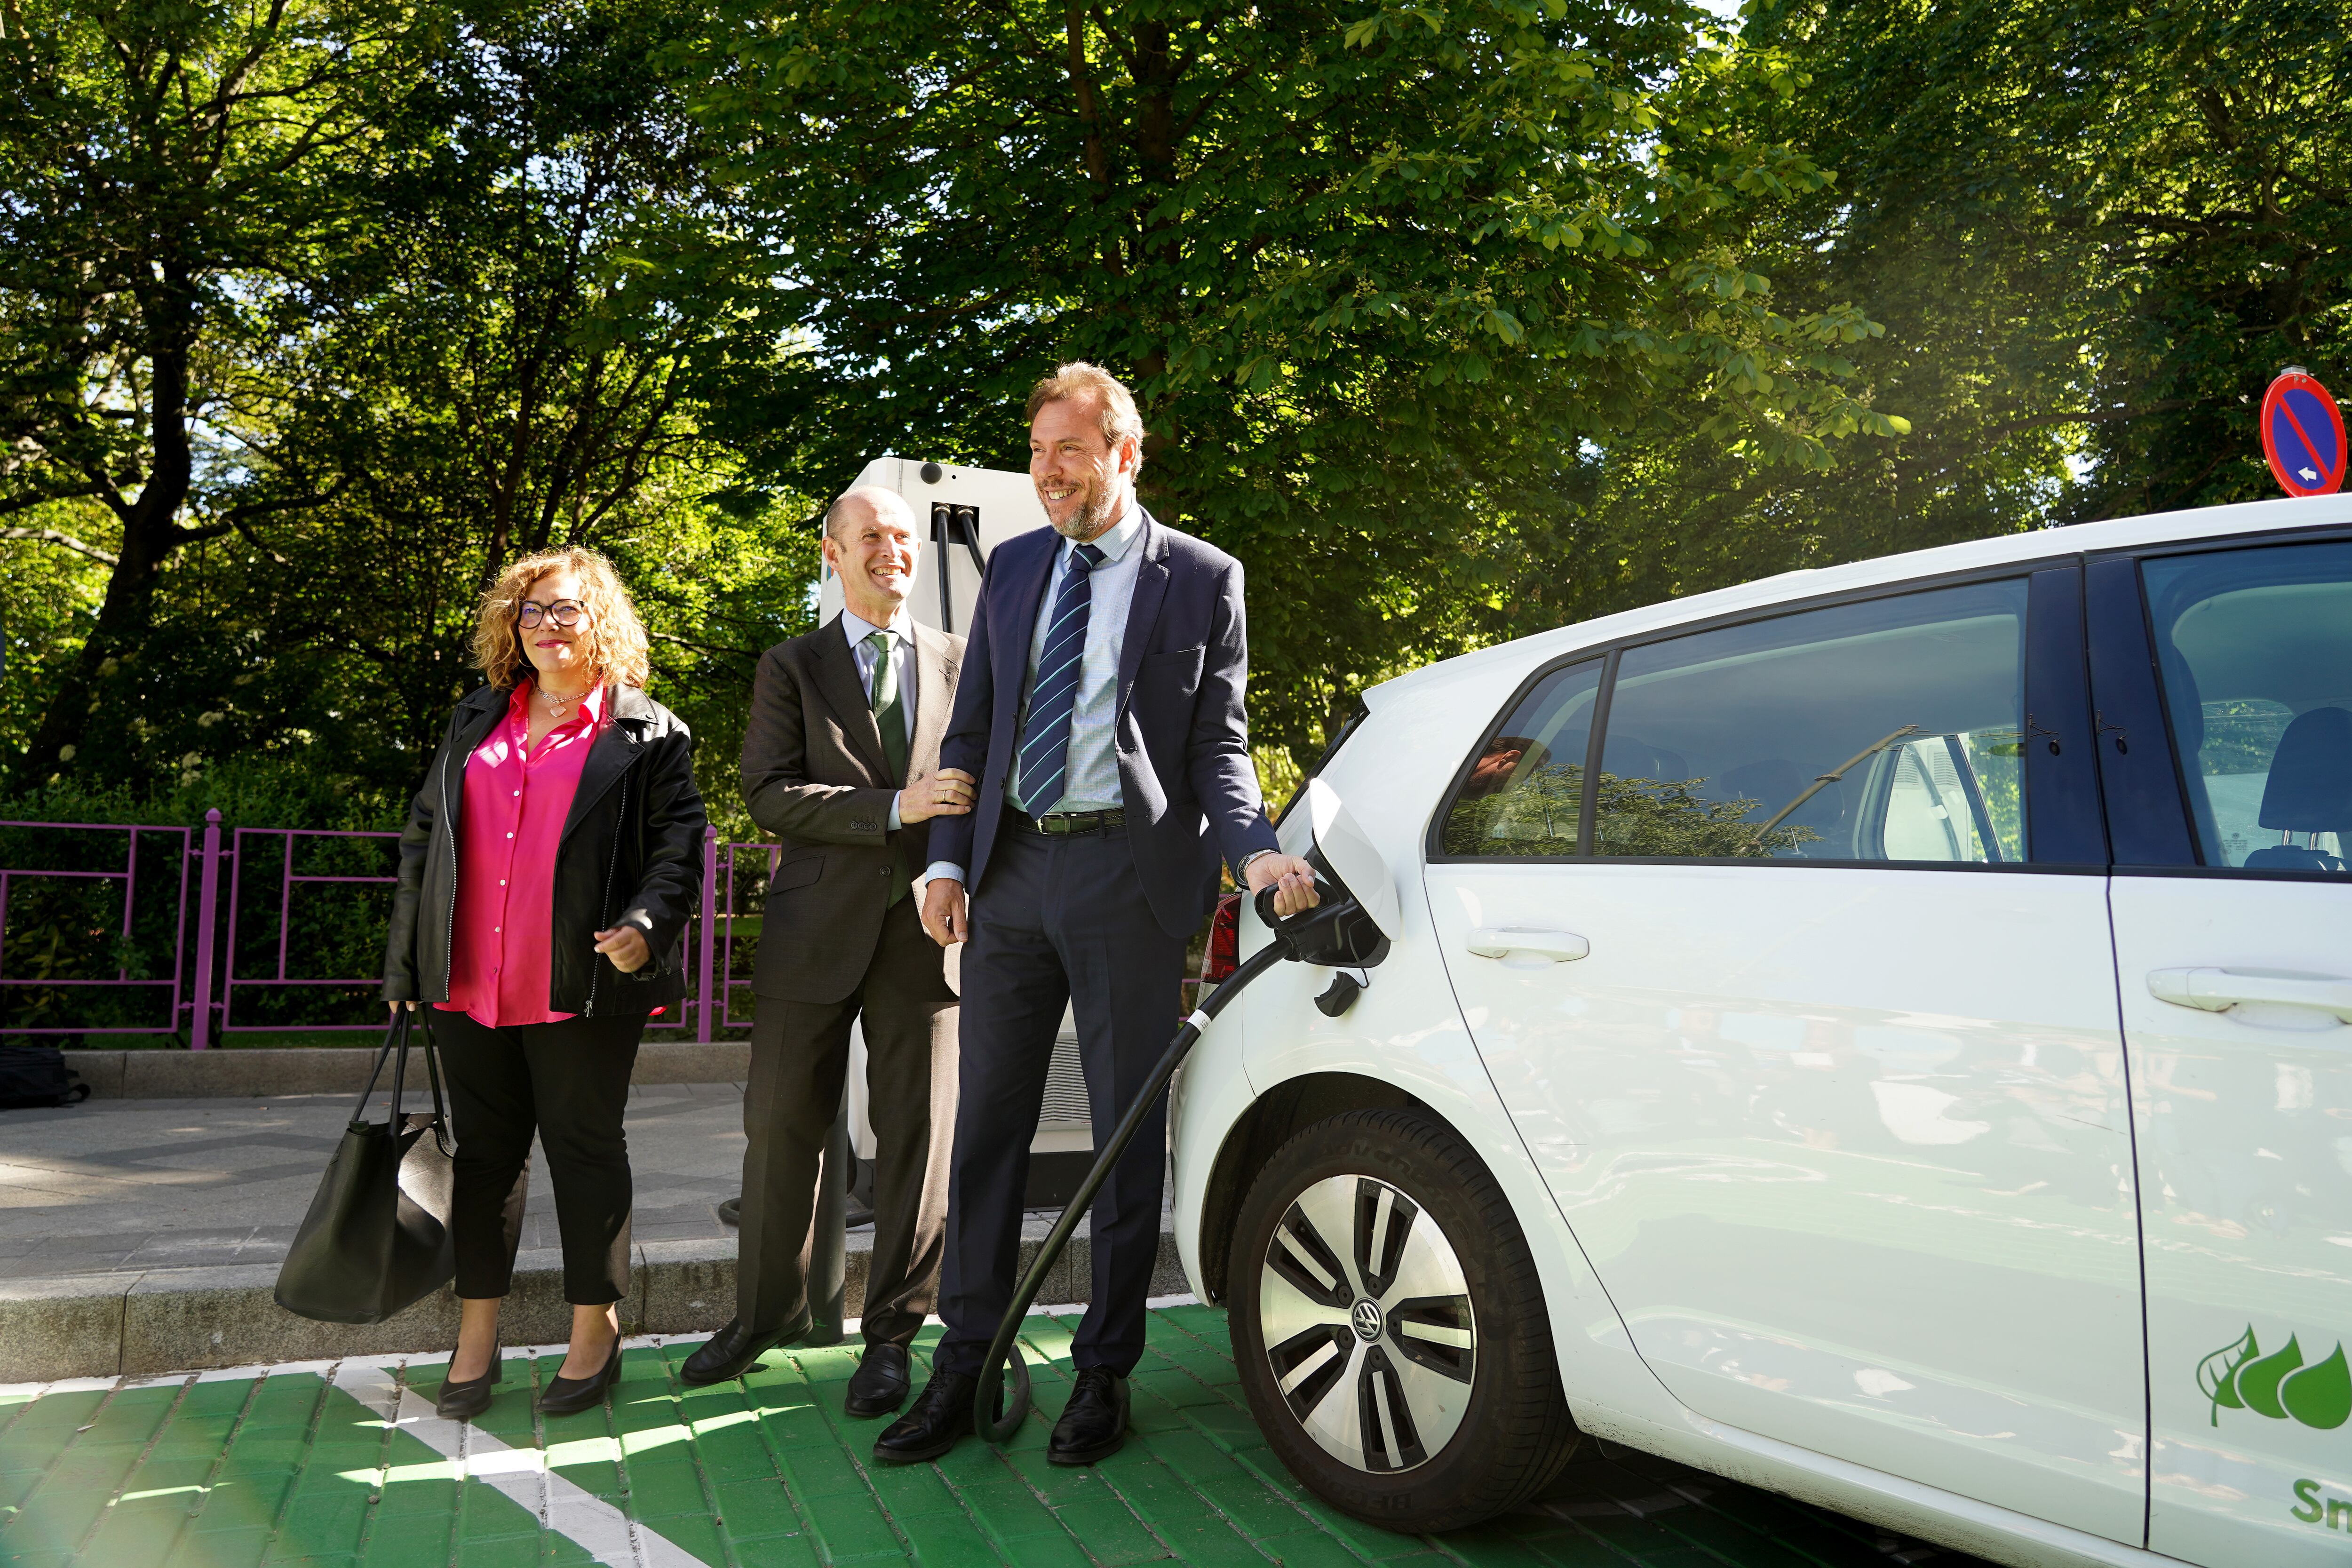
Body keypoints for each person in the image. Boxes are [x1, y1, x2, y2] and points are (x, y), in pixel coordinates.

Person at [876, 362, 1319, 1467]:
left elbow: (1218, 744)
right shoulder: (1016, 565)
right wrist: (946, 861)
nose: (1047, 472)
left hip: (1131, 878)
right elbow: (972, 726)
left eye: (1066, 452)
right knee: (987, 1128)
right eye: (1036, 453)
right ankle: (965, 1358)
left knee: (1124, 1135)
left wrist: (1257, 849)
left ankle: (1104, 1369)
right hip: (1011, 871)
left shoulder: (1203, 577)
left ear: (1124, 453)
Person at [381, 546, 706, 1423]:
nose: (547, 625)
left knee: (584, 1149)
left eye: (566, 609)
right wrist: (406, 960)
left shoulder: (649, 732)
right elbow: (423, 839)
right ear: (511, 625)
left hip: (582, 980)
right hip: (467, 980)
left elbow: (679, 849)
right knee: (484, 1157)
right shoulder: (476, 717)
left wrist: (646, 926)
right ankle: (475, 1334)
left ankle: (594, 1331)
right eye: (531, 611)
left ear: (600, 619)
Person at [683, 487, 974, 1417]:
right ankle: (762, 1313)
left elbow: (986, 788)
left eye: (903, 535)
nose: (892, 549)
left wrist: (962, 875)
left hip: (926, 934)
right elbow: (767, 790)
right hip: (812, 931)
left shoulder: (963, 660)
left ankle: (891, 1337)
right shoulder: (792, 665)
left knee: (917, 1142)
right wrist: (895, 807)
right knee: (779, 1130)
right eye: (872, 536)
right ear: (833, 552)